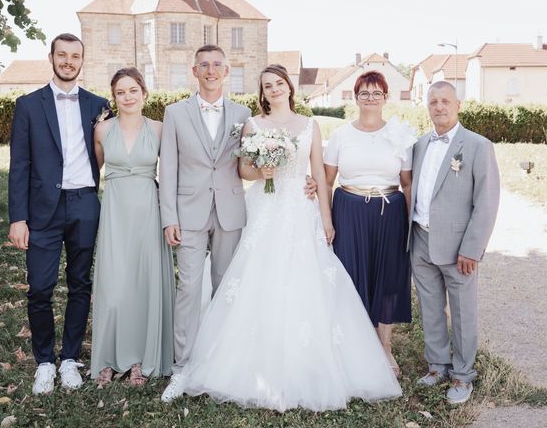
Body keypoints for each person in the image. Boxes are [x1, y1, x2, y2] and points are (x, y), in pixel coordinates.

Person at [161, 64, 402, 411]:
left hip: (301, 209)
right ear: (262, 92)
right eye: (267, 85)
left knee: (307, 280)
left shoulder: (310, 126)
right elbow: (242, 168)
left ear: (289, 86)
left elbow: (317, 172)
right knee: (260, 277)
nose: (274, 89)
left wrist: (325, 217)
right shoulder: (253, 125)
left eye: (278, 83)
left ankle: (312, 361)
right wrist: (262, 170)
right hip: (264, 208)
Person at [159, 47, 318, 400]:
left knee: (226, 286)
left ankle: (217, 360)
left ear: (227, 70)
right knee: (188, 287)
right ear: (194, 70)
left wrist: (305, 180)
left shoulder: (242, 114)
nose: (211, 70)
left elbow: (243, 165)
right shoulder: (175, 113)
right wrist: (169, 216)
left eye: (217, 65)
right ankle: (183, 367)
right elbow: (167, 167)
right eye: (204, 65)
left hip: (232, 210)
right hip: (189, 212)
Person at [8, 33, 110, 394]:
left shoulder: (99, 105)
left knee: (81, 283)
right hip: (42, 210)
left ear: (83, 60)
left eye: (75, 56)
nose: (68, 61)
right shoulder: (29, 105)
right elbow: (19, 164)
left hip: (85, 203)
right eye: (62, 55)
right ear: (51, 57)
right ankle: (44, 362)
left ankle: (69, 359)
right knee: (39, 287)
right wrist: (17, 218)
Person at [409, 80, 500, 404]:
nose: (439, 107)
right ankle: (437, 366)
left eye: (446, 101)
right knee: (430, 309)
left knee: (462, 313)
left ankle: (463, 376)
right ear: (428, 106)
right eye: (433, 101)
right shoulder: (419, 144)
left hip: (458, 248)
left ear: (458, 105)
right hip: (420, 240)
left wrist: (471, 249)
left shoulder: (477, 146)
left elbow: (486, 203)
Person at [324, 70, 416, 377]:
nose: (371, 99)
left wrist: (412, 224)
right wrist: (325, 219)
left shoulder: (400, 134)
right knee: (351, 276)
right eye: (365, 93)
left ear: (386, 98)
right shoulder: (341, 136)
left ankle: (384, 347)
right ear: (355, 97)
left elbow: (407, 183)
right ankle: (352, 347)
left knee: (388, 278)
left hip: (390, 211)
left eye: (377, 93)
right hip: (349, 209)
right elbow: (326, 181)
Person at [90, 68, 175, 386]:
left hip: (147, 213)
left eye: (133, 90)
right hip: (114, 212)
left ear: (144, 93)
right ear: (114, 97)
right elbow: (91, 172)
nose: (127, 97)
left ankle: (141, 359)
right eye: (121, 92)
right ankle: (108, 359)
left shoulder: (160, 129)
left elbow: (172, 175)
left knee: (143, 284)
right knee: (113, 284)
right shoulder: (102, 130)